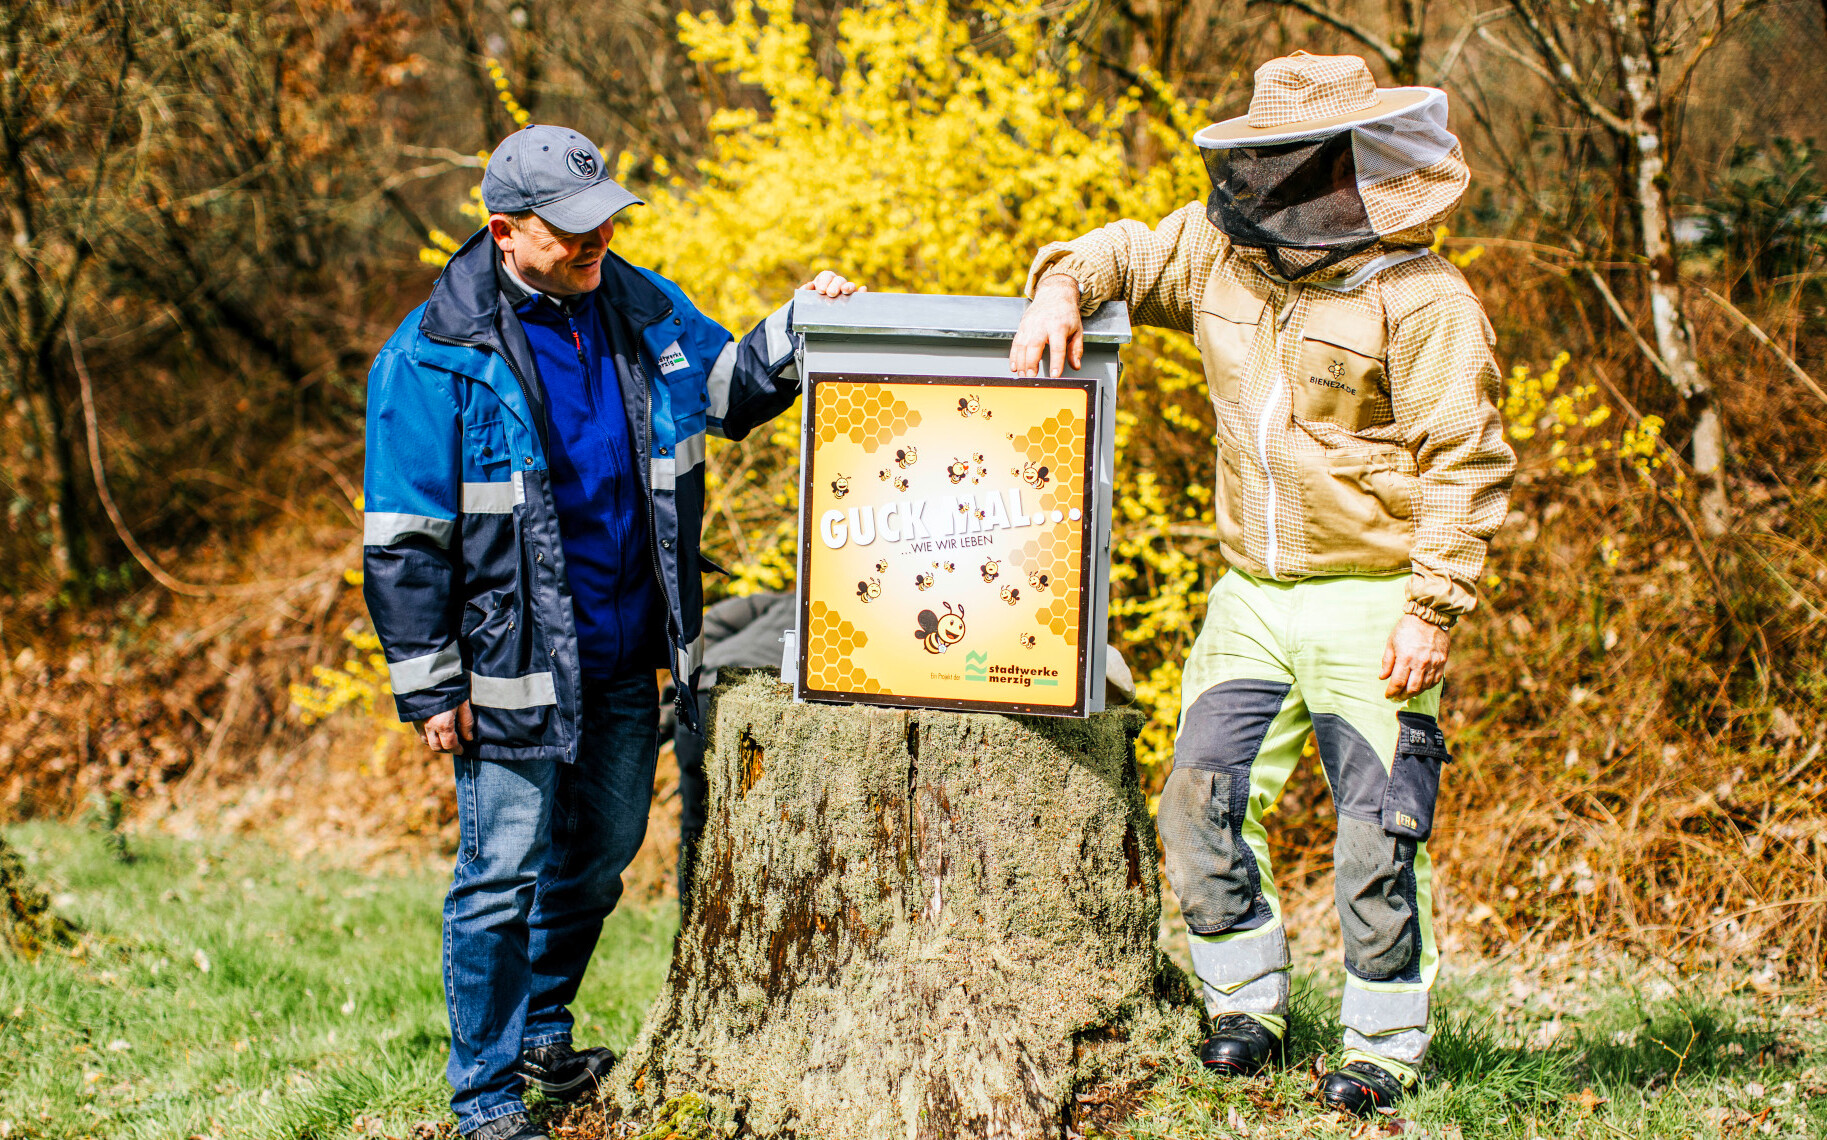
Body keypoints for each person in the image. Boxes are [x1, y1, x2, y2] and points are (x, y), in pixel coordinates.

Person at [1010, 53, 1514, 1114]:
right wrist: (1060, 285)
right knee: (1199, 801)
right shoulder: (1217, 254)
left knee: (1380, 835)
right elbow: (1127, 253)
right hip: (1248, 593)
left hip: (1375, 593)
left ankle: (1383, 1049)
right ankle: (1246, 1007)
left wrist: (1434, 607)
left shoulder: (1425, 301)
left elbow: (1461, 463)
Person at [361, 124, 859, 1140]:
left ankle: (544, 1032)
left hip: (632, 646)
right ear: (506, 231)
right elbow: (404, 535)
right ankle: (487, 1096)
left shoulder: (638, 307)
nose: (599, 241)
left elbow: (730, 392)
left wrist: (802, 321)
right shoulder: (433, 355)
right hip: (509, 662)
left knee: (602, 852)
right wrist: (427, 681)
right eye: (573, 228)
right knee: (500, 872)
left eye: (606, 220)